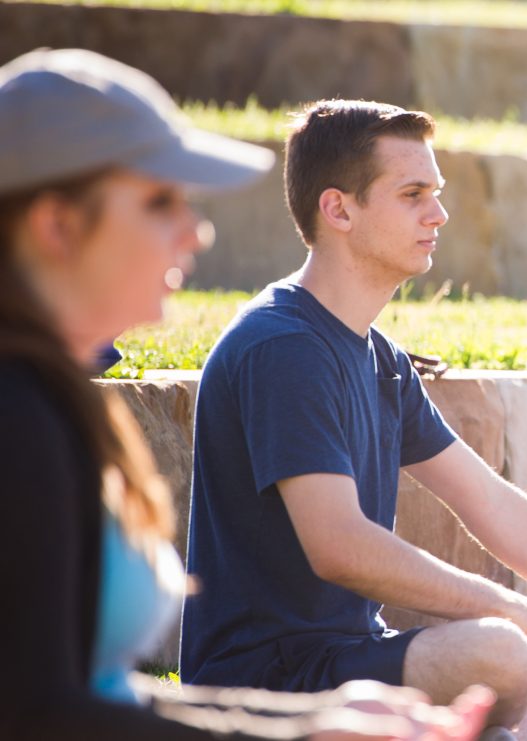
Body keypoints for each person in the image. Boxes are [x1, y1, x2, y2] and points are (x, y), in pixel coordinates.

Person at [0, 48, 490, 740]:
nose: (195, 231)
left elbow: (93, 696)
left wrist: (316, 720)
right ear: (56, 225)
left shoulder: (46, 396)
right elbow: (38, 716)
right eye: (160, 201)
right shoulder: (17, 416)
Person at [180, 99, 527, 741]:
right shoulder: (282, 346)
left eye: (436, 192)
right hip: (265, 684)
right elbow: (339, 546)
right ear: (339, 209)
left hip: (351, 660)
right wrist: (520, 614)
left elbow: (491, 503)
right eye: (412, 194)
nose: (439, 213)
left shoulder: (380, 359)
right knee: (503, 652)